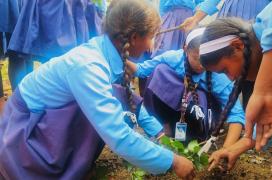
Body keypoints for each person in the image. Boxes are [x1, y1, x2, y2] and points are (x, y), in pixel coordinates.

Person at [0, 0, 195, 179]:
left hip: (50, 115)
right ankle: (51, 164)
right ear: (134, 38)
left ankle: (72, 159)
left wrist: (157, 131)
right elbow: (116, 134)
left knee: (111, 99)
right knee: (104, 115)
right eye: (152, 37)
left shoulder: (107, 52)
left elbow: (127, 97)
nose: (151, 46)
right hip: (27, 128)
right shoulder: (88, 67)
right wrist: (172, 161)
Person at [196, 0, 272, 170]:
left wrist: (263, 91)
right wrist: (242, 144)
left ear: (238, 46)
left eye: (225, 70)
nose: (231, 79)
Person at [127, 27, 245, 147]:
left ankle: (195, 136)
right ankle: (165, 127)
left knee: (198, 97)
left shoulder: (218, 76)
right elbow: (141, 70)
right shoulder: (174, 58)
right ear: (185, 50)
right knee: (160, 71)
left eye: (205, 60)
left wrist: (227, 148)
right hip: (176, 113)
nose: (201, 65)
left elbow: (236, 113)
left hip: (199, 118)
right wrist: (119, 56)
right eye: (196, 58)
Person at [6, 0, 104, 89]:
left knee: (75, 59)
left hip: (72, 7)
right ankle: (23, 100)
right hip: (54, 8)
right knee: (55, 57)